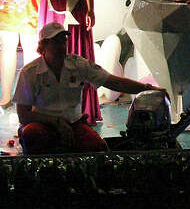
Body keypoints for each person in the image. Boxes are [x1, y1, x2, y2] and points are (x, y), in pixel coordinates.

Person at [15, 23, 166, 154]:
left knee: (97, 148)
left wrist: (147, 88)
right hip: (43, 124)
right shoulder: (29, 72)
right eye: (55, 42)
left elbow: (114, 82)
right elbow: (24, 115)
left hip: (73, 123)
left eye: (63, 41)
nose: (61, 46)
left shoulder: (77, 64)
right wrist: (56, 122)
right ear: (43, 46)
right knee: (31, 135)